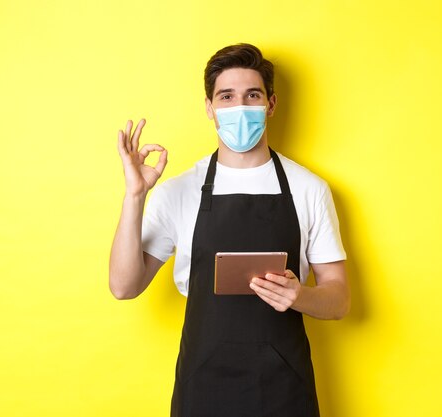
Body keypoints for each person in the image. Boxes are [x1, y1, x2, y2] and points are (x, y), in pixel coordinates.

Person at [109, 43, 350, 417]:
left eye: (251, 95)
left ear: (270, 104)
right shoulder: (178, 191)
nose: (240, 108)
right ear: (209, 107)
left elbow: (339, 299)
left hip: (284, 390)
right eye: (226, 96)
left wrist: (298, 296)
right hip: (203, 387)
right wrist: (135, 195)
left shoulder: (308, 189)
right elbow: (124, 286)